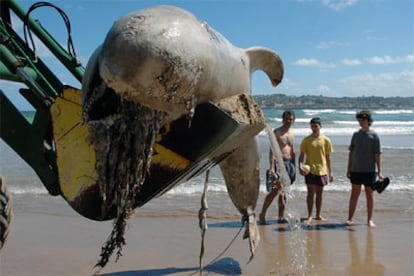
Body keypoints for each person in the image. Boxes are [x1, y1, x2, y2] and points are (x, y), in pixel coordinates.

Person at [346, 110, 382, 227]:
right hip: (355, 169)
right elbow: (351, 153)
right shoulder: (356, 135)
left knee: (369, 195)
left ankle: (369, 220)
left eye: (363, 120)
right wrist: (348, 168)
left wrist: (380, 171)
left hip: (370, 171)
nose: (361, 122)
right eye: (359, 120)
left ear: (368, 121)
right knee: (354, 194)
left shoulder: (374, 136)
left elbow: (377, 154)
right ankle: (350, 219)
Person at [259, 110, 296, 224]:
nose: (288, 121)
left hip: (289, 164)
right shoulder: (277, 132)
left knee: (284, 191)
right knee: (275, 191)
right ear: (282, 119)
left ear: (293, 120)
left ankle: (281, 217)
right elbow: (272, 151)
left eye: (290, 119)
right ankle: (262, 214)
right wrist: (272, 167)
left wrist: (295, 167)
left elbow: (292, 151)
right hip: (279, 164)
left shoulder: (292, 134)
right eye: (286, 118)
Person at [298, 117, 333, 225]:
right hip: (309, 170)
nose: (313, 128)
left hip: (322, 170)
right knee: (310, 194)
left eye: (316, 126)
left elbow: (328, 157)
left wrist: (330, 172)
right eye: (312, 126)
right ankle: (309, 216)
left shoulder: (326, 140)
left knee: (319, 194)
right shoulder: (306, 140)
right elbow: (301, 156)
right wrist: (300, 166)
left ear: (320, 126)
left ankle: (318, 215)